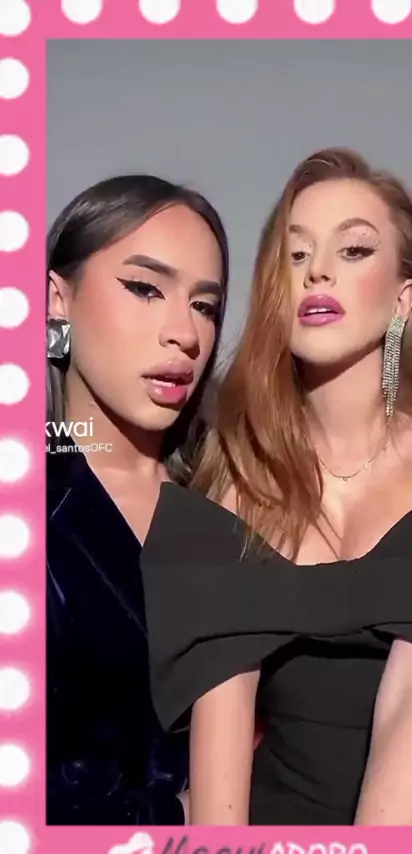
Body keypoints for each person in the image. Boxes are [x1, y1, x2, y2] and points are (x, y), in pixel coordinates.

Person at [141, 148, 412, 826]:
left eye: (353, 250)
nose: (317, 271)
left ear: (404, 297)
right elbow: (220, 800)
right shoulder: (233, 480)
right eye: (296, 255)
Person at [46, 174, 229, 824]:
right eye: (146, 288)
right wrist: (177, 815)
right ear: (57, 300)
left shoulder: (236, 507)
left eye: (204, 305)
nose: (184, 333)